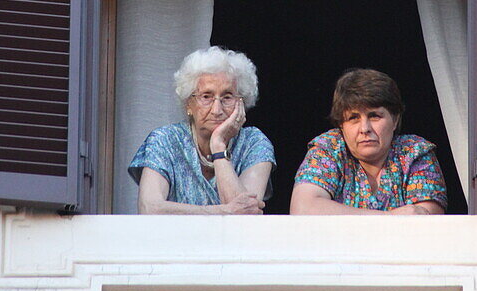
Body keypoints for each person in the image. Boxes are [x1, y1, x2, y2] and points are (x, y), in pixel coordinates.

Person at [130, 47, 275, 214]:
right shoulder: (164, 140)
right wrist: (221, 211)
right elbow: (150, 209)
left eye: (227, 97)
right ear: (188, 105)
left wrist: (218, 146)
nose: (217, 110)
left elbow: (244, 218)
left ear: (241, 102)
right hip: (173, 239)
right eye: (206, 96)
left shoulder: (254, 143)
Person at [290, 68, 447, 215]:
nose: (364, 128)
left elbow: (425, 221)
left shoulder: (414, 152)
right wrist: (388, 218)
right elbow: (303, 208)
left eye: (374, 116)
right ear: (341, 126)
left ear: (395, 119)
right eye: (353, 118)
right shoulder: (329, 148)